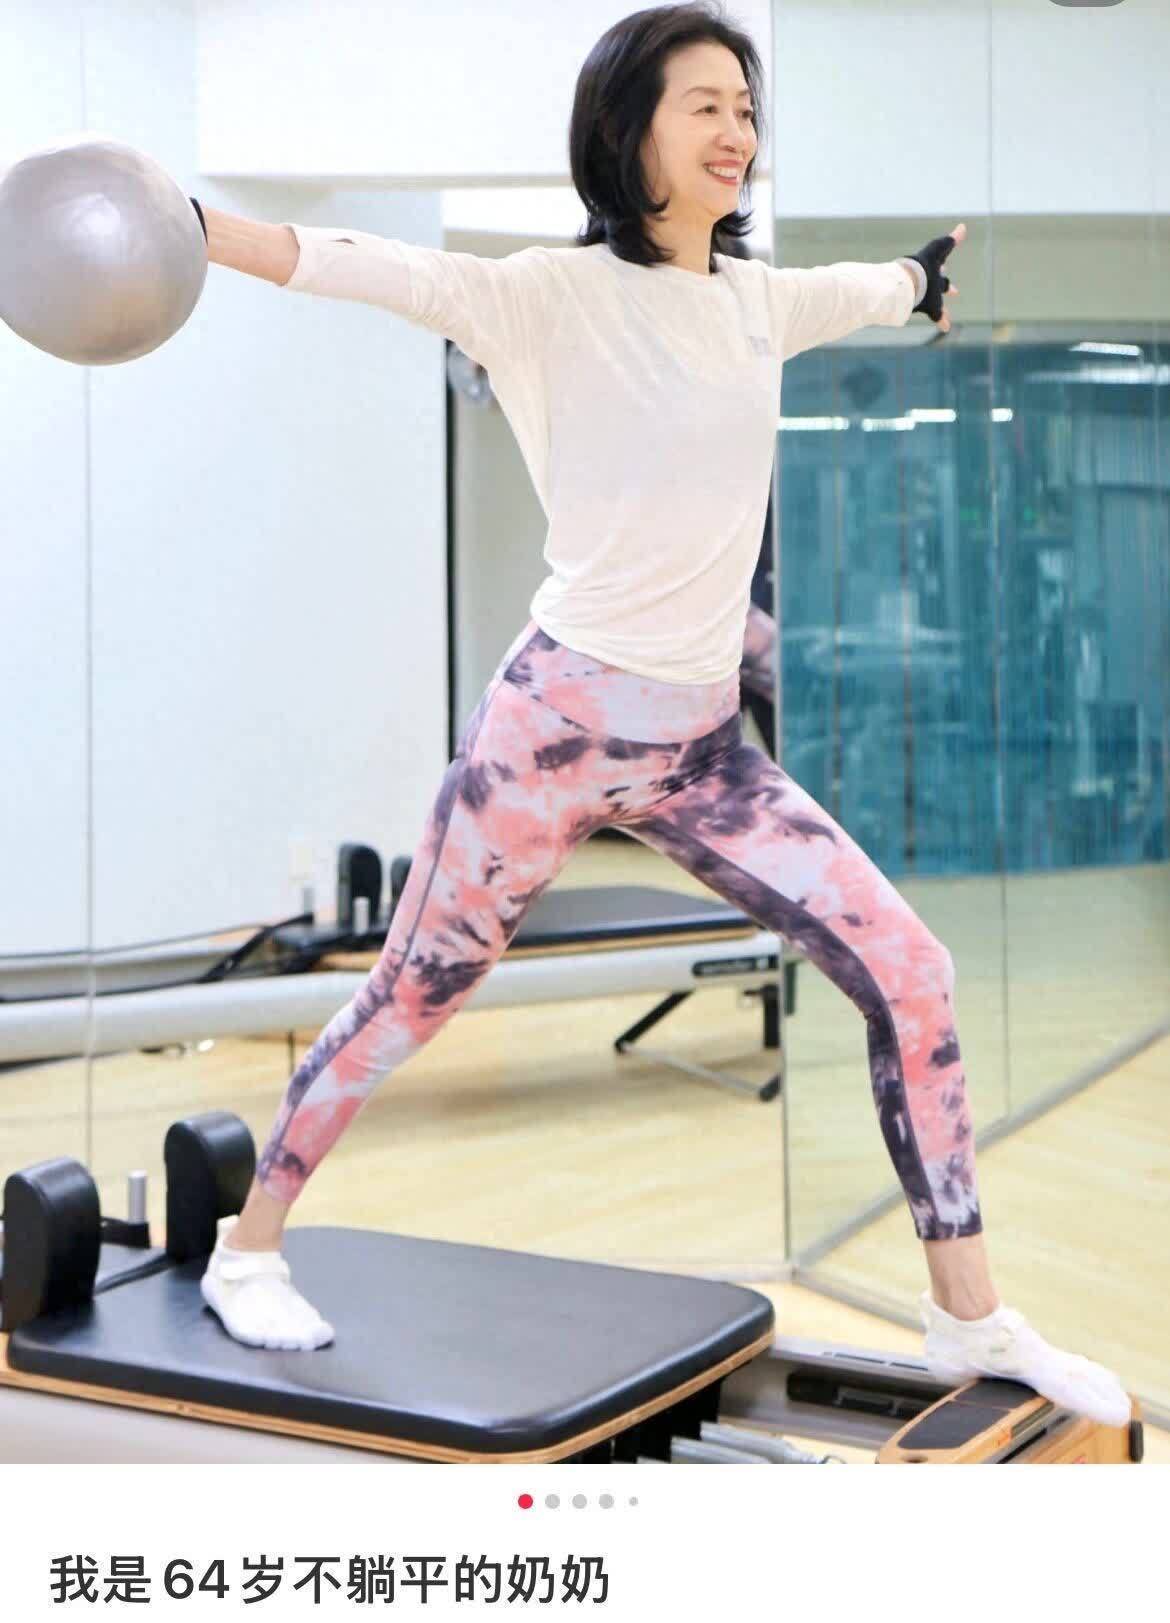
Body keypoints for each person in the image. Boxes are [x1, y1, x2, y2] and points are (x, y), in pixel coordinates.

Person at [193, 3, 1129, 1428]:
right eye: (704, 103)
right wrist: (189, 226)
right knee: (409, 1001)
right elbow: (352, 262)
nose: (734, 131)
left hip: (703, 751)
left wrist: (916, 280)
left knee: (914, 972)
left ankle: (966, 1317)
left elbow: (865, 288)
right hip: (553, 732)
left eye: (745, 107)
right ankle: (246, 1250)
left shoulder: (754, 303)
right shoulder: (544, 296)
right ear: (626, 126)